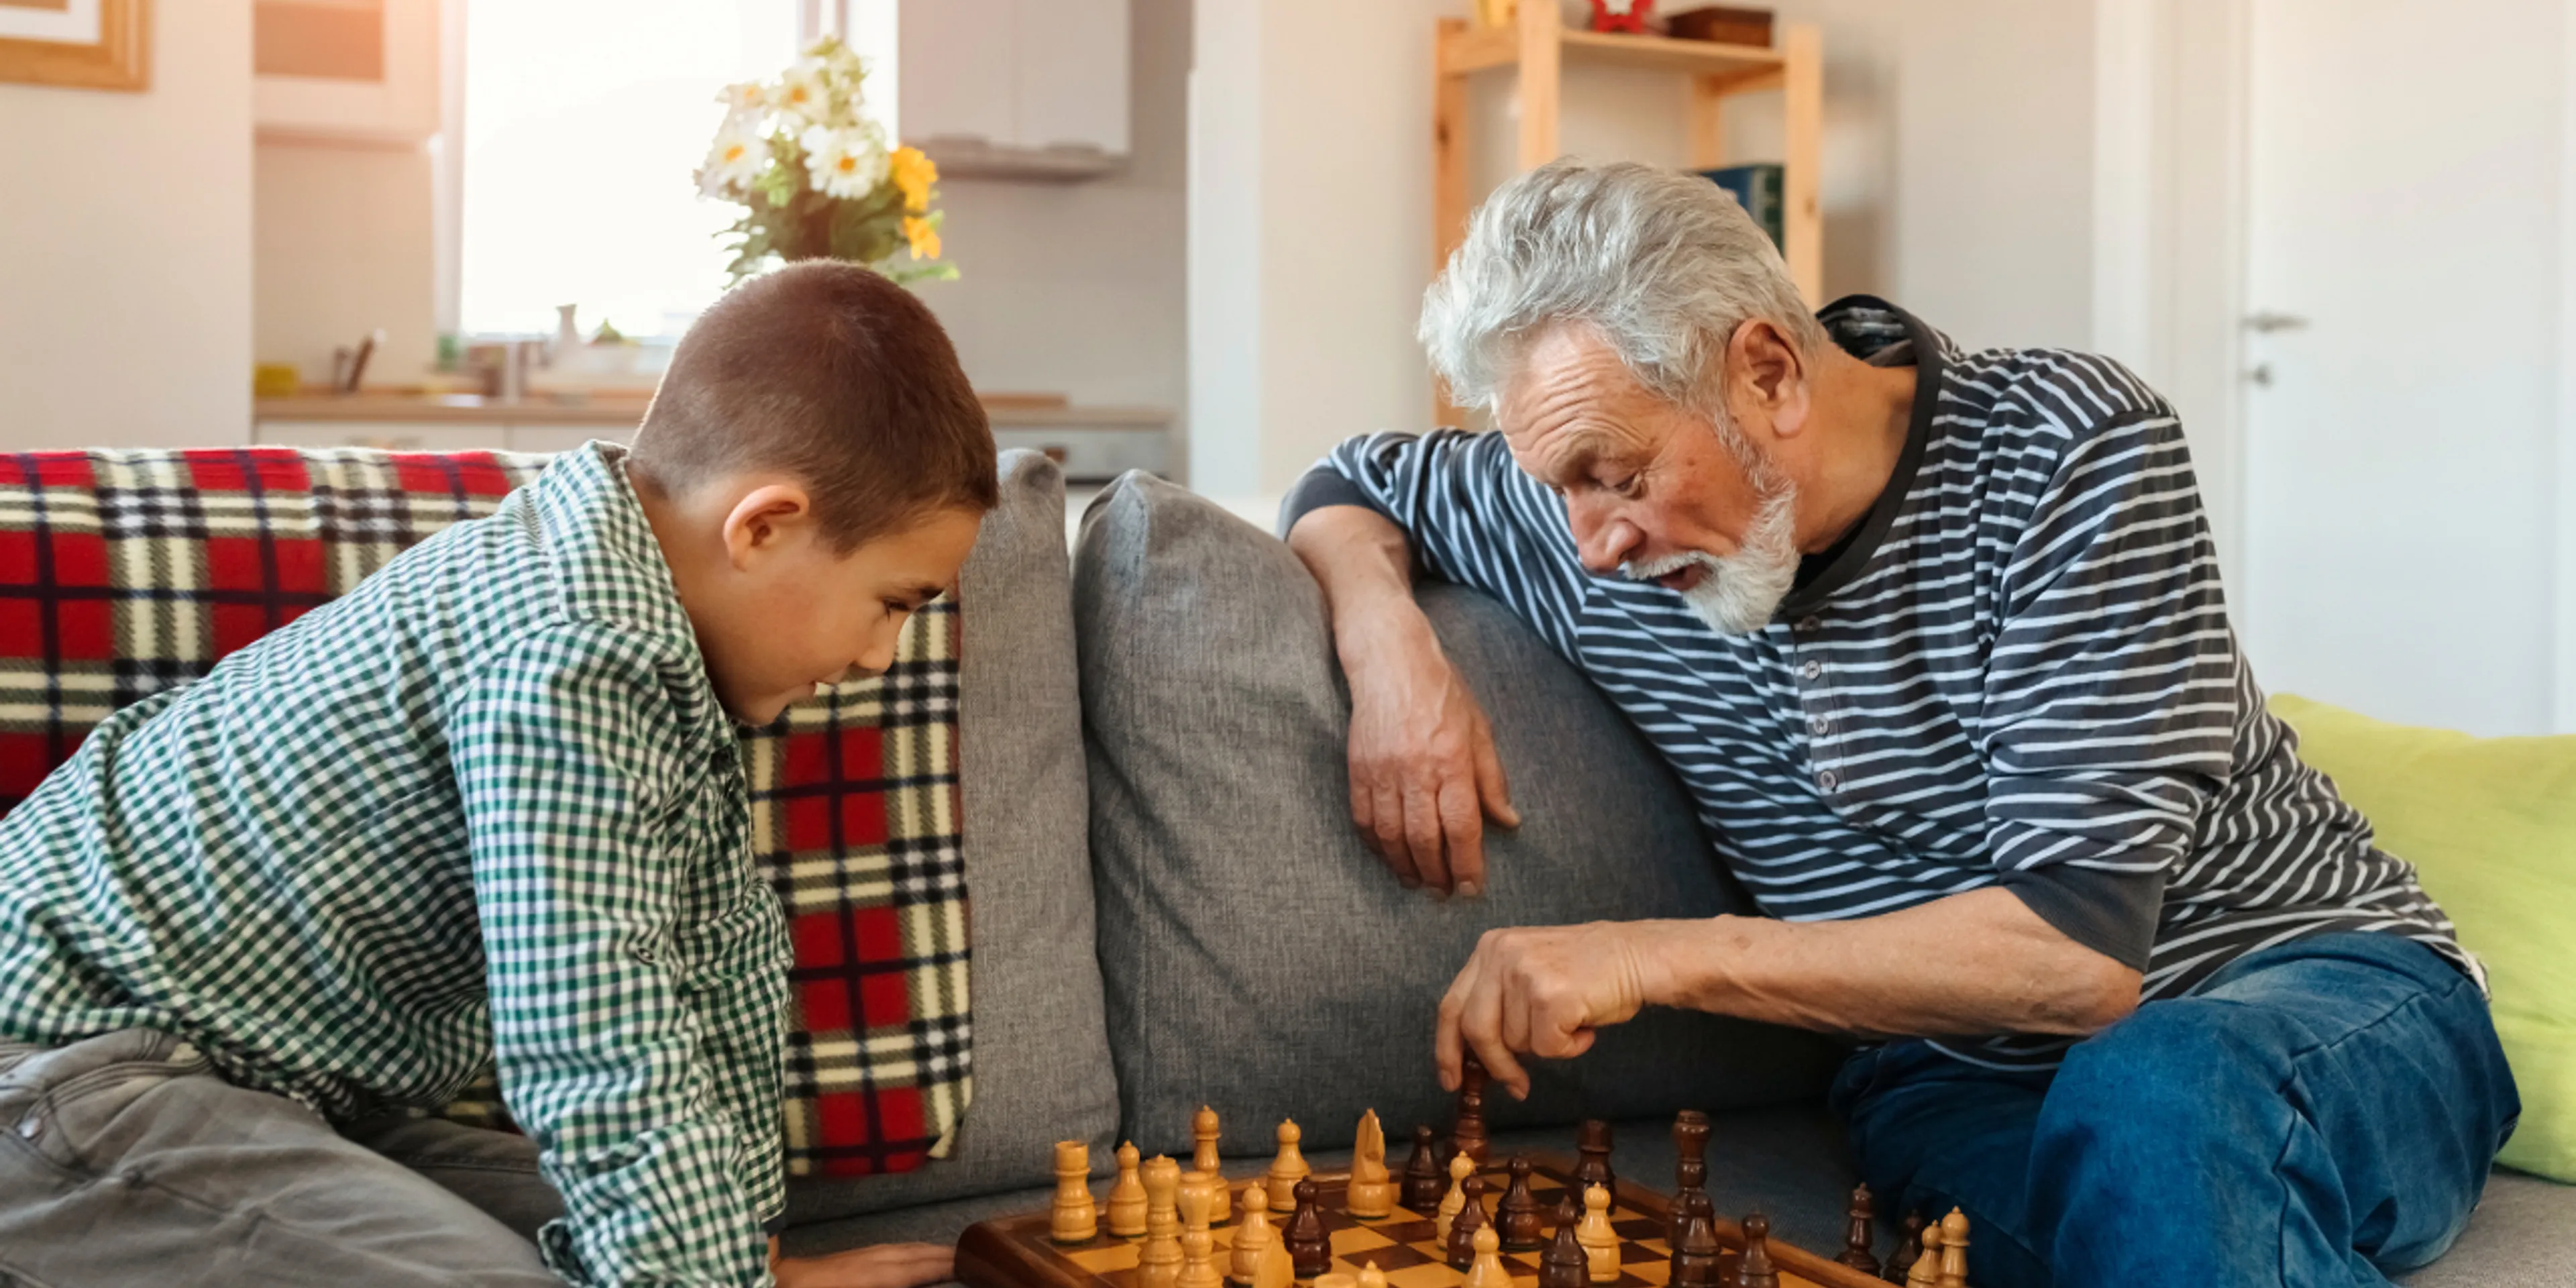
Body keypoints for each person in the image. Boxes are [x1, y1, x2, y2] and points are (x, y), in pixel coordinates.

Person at [1283, 159, 2518, 1287]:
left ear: (1767, 372)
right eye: (1560, 487)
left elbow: (2077, 959)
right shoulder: (1577, 489)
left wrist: (1647, 955)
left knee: (2159, 1097)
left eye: (1619, 477)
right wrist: (1389, 648)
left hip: (2298, 998)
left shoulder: (2070, 450)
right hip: (1950, 1080)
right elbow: (1349, 484)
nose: (1593, 548)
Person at [0, 261, 988, 1288]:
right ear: (763, 527)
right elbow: (597, 1040)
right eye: (893, 603)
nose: (881, 658)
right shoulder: (573, 651)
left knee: (637, 1236)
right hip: (61, 1076)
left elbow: (717, 958)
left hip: (258, 1092)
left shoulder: (659, 643)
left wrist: (746, 1258)